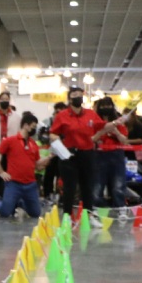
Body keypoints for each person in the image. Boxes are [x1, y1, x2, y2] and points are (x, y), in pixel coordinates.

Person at [50, 86, 102, 220]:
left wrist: (113, 125)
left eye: (80, 94)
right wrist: (59, 143)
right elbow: (53, 133)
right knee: (69, 187)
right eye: (74, 95)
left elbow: (101, 127)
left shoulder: (91, 114)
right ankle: (67, 216)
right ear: (69, 98)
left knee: (88, 186)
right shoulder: (62, 115)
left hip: (87, 154)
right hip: (69, 154)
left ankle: (88, 215)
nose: (78, 97)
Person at [0, 113, 51, 219]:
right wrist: (1, 172)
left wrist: (50, 157)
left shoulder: (33, 144)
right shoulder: (10, 140)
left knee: (35, 213)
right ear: (25, 125)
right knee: (5, 212)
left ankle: (19, 202)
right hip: (13, 183)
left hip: (30, 184)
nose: (34, 129)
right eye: (33, 126)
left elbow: (37, 164)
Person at [92, 99, 129, 208]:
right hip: (99, 156)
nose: (106, 108)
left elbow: (124, 141)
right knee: (97, 187)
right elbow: (91, 139)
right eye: (103, 106)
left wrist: (116, 132)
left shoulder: (119, 122)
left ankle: (120, 208)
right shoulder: (95, 122)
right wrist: (102, 132)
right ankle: (98, 209)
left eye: (108, 105)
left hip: (116, 155)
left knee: (118, 187)